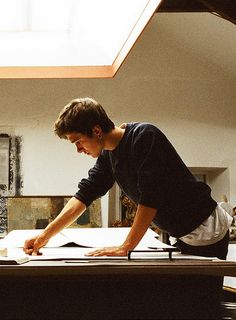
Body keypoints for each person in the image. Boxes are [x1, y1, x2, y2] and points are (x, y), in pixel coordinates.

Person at [23, 97, 232, 260]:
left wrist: (126, 247)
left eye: (78, 142)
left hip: (208, 229)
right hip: (182, 234)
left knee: (201, 304)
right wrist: (44, 236)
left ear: (96, 130)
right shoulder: (108, 156)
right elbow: (83, 196)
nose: (78, 150)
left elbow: (151, 197)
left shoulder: (144, 136)